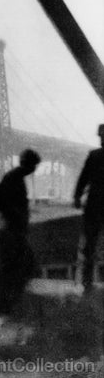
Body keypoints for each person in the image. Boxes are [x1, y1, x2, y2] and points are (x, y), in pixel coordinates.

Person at [0, 149, 41, 320]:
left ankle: (7, 308)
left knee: (21, 267)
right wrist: (13, 215)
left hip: (16, 231)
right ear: (28, 163)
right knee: (13, 269)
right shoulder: (14, 177)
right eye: (34, 165)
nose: (34, 169)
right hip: (12, 231)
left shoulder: (16, 177)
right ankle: (4, 310)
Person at [74, 124, 104, 291]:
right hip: (95, 206)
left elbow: (83, 178)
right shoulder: (94, 155)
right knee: (90, 247)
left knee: (90, 246)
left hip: (94, 206)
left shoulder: (94, 156)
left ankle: (87, 282)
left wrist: (77, 196)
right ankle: (87, 282)